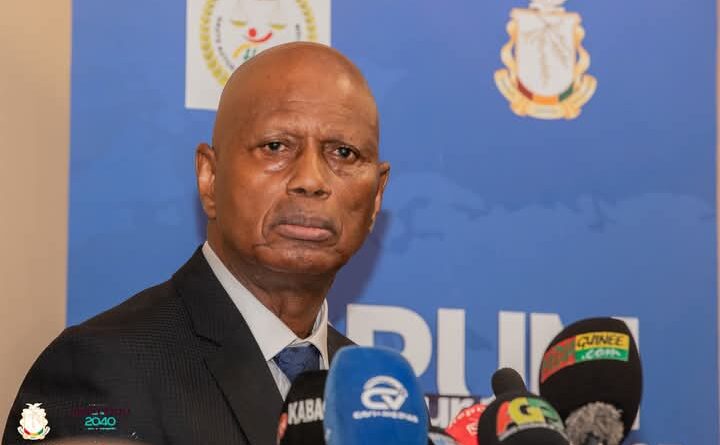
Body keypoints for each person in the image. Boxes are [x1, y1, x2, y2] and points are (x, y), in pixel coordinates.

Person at [3, 42, 390, 445]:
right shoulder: (99, 368)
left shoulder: (378, 398)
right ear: (209, 178)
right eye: (275, 146)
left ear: (377, 196)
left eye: (344, 153)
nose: (311, 180)